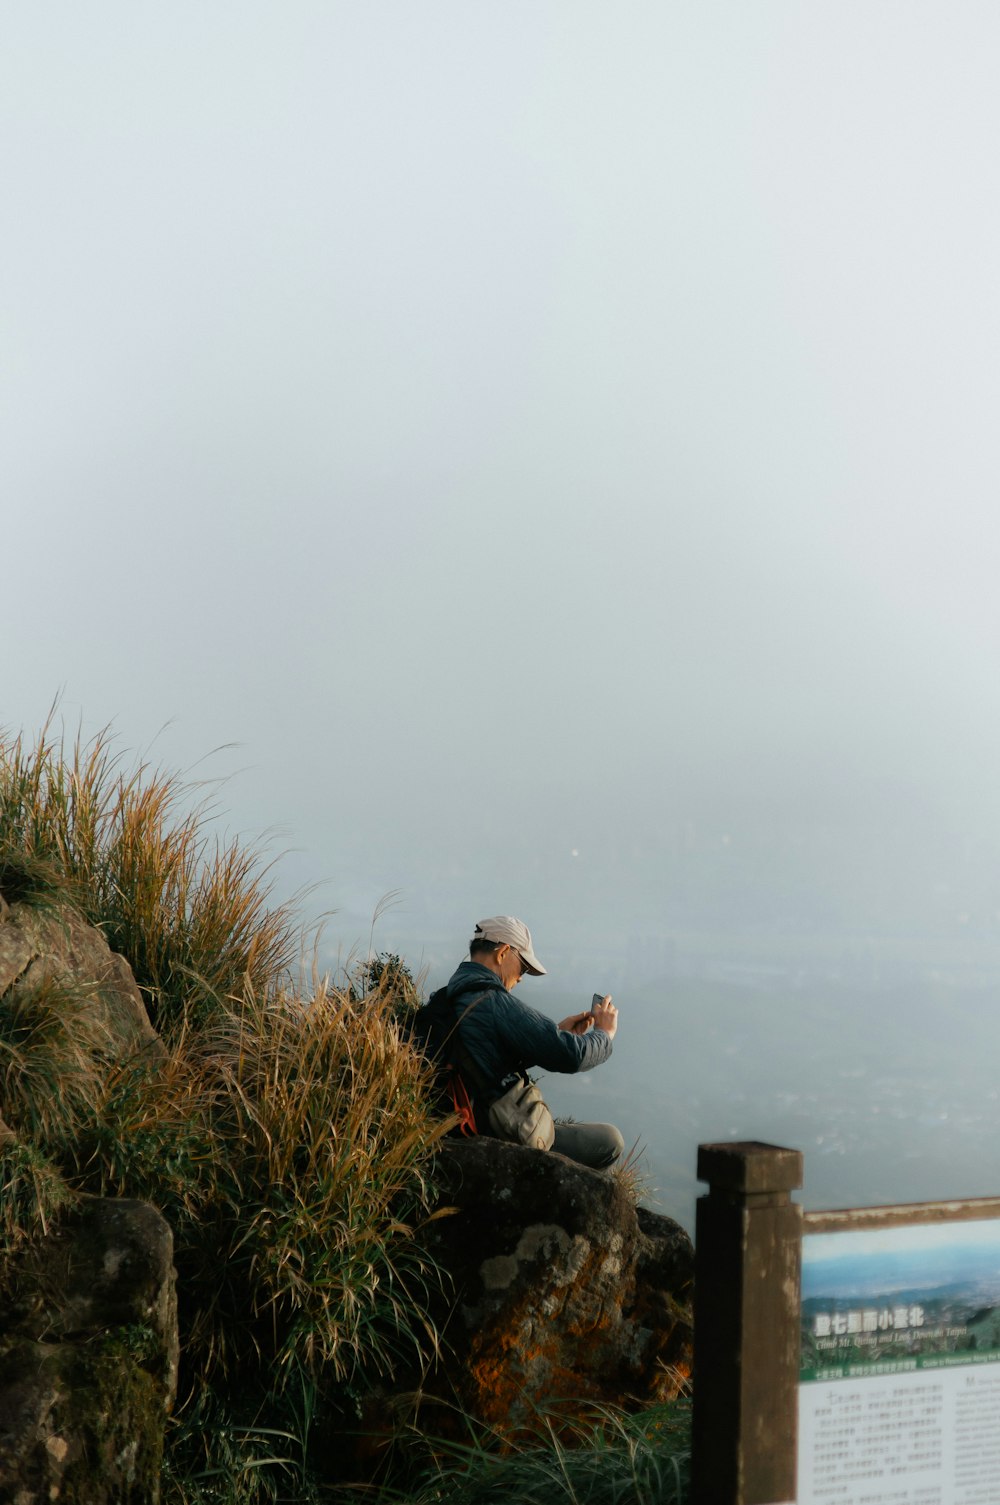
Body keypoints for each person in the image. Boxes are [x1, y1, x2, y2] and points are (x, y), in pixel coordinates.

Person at [446, 914, 625, 1170]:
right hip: (499, 1129)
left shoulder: (450, 995)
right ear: (503, 953)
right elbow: (572, 1056)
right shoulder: (493, 1001)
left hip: (469, 1119)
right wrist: (604, 1034)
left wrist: (556, 1032)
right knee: (609, 1140)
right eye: (523, 968)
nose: (521, 978)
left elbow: (483, 1054)